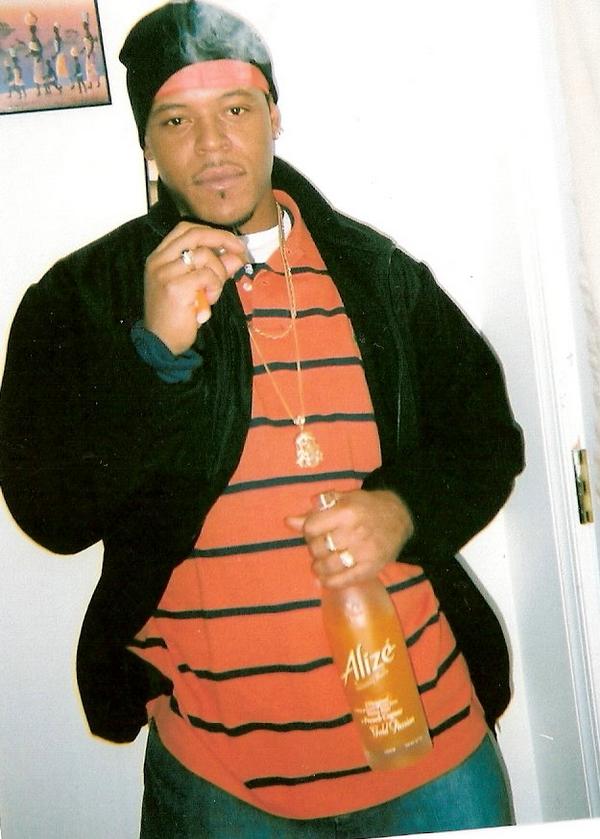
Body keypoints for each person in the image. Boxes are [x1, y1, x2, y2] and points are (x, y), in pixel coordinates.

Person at [0, 2, 525, 836]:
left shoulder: (380, 277)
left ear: (274, 117)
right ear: (146, 142)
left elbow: (487, 439)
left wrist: (403, 509)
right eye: (178, 120)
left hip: (431, 752)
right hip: (219, 778)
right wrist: (154, 356)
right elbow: (52, 513)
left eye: (236, 110)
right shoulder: (80, 300)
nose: (213, 146)